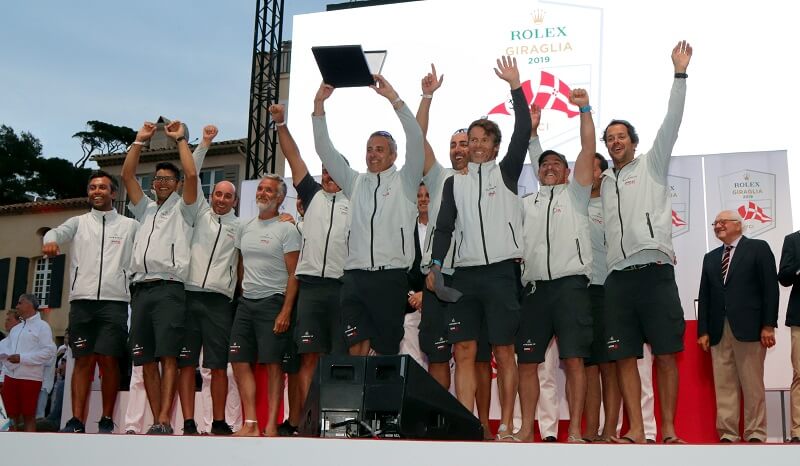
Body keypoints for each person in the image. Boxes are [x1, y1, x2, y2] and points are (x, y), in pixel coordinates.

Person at [427, 56, 531, 441]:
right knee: (464, 351)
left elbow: (523, 130)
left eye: (483, 139)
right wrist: (436, 265)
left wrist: (516, 87)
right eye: (471, 140)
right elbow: (443, 228)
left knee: (504, 350)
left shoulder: (507, 172)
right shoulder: (454, 182)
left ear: (494, 146)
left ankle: (508, 424)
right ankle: (468, 423)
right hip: (465, 276)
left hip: (502, 272)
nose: (476, 145)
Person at [600, 41, 692, 444]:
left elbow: (672, 121)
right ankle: (636, 429)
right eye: (609, 138)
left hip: (655, 271)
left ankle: (667, 430)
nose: (615, 142)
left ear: (633, 142)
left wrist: (679, 74)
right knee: (623, 355)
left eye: (621, 136)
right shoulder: (604, 182)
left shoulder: (652, 165)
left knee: (666, 354)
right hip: (618, 279)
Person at [312, 74, 424, 357]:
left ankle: (382, 389)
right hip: (355, 278)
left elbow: (416, 138)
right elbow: (325, 150)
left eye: (380, 150)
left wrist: (394, 99)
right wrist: (319, 106)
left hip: (391, 278)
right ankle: (359, 390)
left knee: (385, 353)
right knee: (356, 348)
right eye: (369, 149)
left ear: (393, 156)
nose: (373, 155)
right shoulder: (355, 182)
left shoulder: (406, 181)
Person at [413, 65, 494, 438]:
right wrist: (427, 96)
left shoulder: (490, 180)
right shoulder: (439, 177)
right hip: (436, 279)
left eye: (465, 143)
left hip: (469, 278)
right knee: (437, 356)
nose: (459, 149)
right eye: (454, 145)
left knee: (469, 354)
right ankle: (441, 423)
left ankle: (471, 424)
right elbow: (417, 138)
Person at [516, 88, 595, 443]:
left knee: (574, 360)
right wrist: (532, 134)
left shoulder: (576, 195)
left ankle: (574, 430)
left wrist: (584, 110)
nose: (549, 168)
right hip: (535, 290)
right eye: (544, 164)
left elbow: (588, 148)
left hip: (569, 287)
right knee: (527, 362)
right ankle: (525, 429)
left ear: (567, 172)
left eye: (556, 165)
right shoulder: (527, 203)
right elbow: (539, 160)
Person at [269, 103, 350, 436]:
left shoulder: (357, 201)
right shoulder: (312, 194)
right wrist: (280, 124)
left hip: (343, 289)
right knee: (308, 360)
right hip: (312, 290)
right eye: (325, 172)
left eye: (334, 171)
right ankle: (305, 424)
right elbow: (294, 157)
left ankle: (338, 424)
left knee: (340, 360)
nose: (328, 176)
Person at [41, 170, 139, 433]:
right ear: (88, 193)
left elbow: (148, 246)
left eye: (103, 187)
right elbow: (54, 233)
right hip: (82, 302)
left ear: (113, 193)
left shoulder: (129, 226)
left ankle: (106, 419)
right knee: (82, 361)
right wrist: (50, 241)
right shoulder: (78, 222)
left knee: (109, 360)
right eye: (93, 187)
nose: (97, 191)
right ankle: (76, 420)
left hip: (115, 302)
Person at [120, 120, 198, 435]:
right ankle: (157, 421)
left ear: (177, 184)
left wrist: (180, 140)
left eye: (168, 179)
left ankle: (165, 417)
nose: (162, 183)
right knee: (145, 359)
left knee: (168, 356)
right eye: (158, 179)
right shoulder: (145, 209)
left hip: (169, 288)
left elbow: (193, 174)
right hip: (140, 290)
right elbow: (127, 176)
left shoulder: (185, 209)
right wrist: (139, 141)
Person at [176, 125, 240, 436]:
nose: (222, 199)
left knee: (217, 366)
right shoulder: (198, 213)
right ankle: (188, 422)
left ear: (235, 201)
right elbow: (192, 175)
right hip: (189, 296)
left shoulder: (240, 227)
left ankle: (218, 421)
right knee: (186, 363)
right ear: (211, 195)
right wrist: (203, 144)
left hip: (219, 302)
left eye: (228, 196)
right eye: (218, 194)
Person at [697, 210, 778, 442]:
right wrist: (703, 330)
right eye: (715, 223)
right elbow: (705, 296)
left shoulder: (758, 248)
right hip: (717, 330)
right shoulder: (710, 257)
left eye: (723, 222)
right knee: (724, 383)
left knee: (752, 384)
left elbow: (770, 289)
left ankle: (755, 432)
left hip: (750, 328)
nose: (718, 226)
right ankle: (727, 433)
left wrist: (768, 325)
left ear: (739, 225)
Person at [230, 175, 301, 437]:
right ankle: (250, 423)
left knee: (273, 365)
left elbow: (294, 274)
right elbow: (240, 265)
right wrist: (242, 293)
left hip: (274, 302)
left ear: (280, 197)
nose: (262, 193)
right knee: (238, 361)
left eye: (269, 190)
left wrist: (286, 311)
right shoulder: (245, 227)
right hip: (246, 303)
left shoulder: (287, 229)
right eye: (260, 188)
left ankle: (271, 424)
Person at [581, 153, 622, 442]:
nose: (586, 173)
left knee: (609, 365)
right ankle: (590, 429)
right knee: (588, 366)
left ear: (603, 174)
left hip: (606, 290)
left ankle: (610, 430)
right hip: (578, 292)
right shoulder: (574, 202)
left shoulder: (612, 207)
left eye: (592, 169)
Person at [0, 294, 56, 431]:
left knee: (29, 416)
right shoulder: (16, 329)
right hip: (10, 377)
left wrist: (22, 358)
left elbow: (49, 352)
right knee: (10, 416)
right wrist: (6, 360)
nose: (17, 306)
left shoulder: (42, 327)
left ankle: (29, 443)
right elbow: (8, 350)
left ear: (29, 305)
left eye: (20, 303)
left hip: (30, 378)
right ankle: (11, 442)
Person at [779, 228, 800, 442]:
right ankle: (798, 431)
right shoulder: (793, 240)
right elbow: (784, 277)